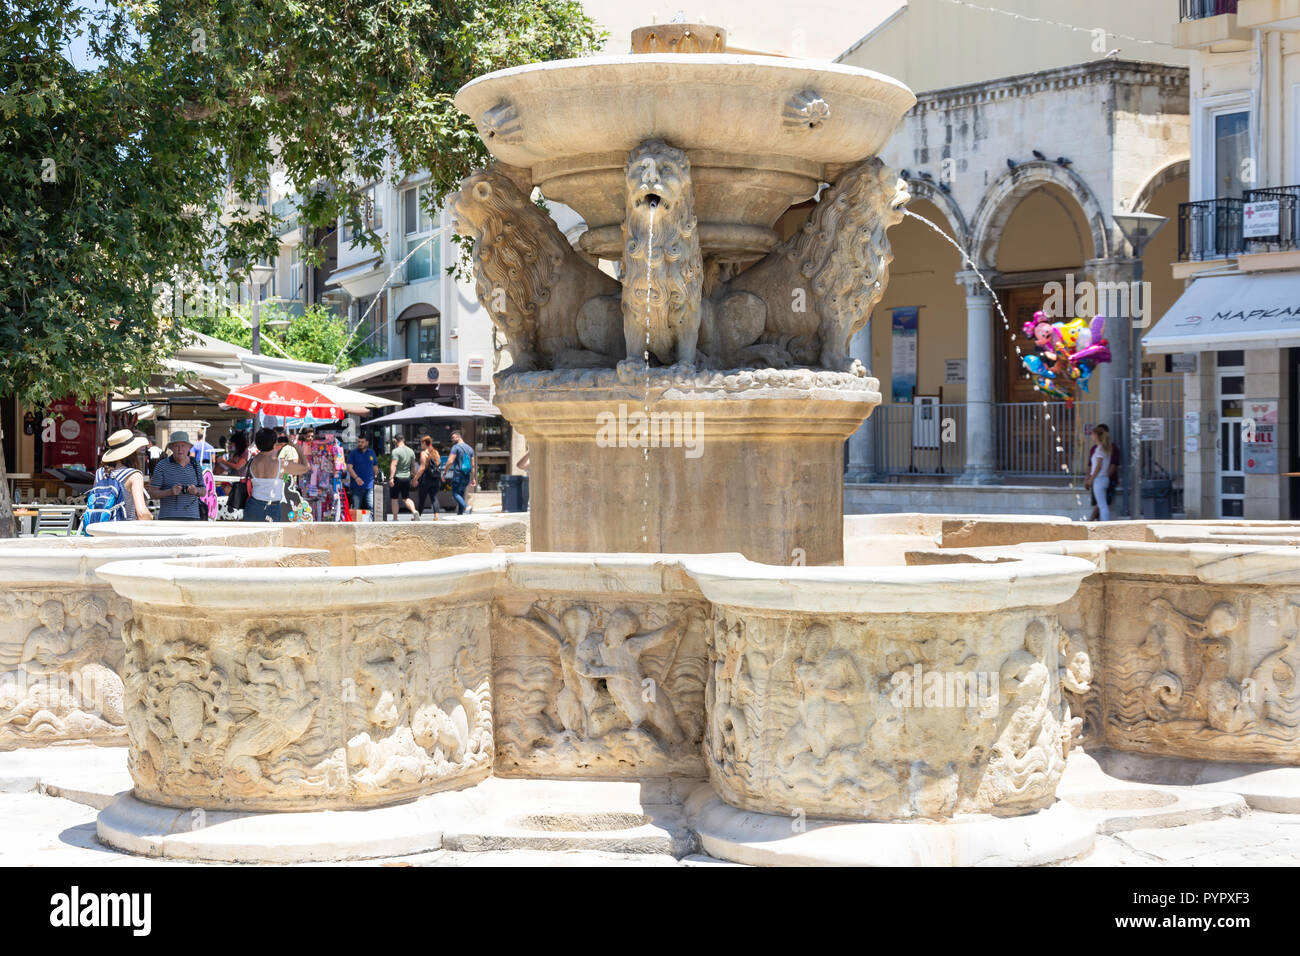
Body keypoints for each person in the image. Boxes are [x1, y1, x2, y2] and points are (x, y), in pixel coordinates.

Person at [86, 429, 153, 523]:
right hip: (124, 531)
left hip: (99, 529)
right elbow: (142, 514)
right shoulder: (134, 475)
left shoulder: (100, 473)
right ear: (132, 452)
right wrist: (151, 516)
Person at [244, 427, 309, 522]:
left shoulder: (252, 462)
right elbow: (306, 467)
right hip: (272, 508)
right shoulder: (280, 464)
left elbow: (267, 456)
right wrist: (294, 445)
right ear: (274, 444)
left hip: (252, 507)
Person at [150, 431, 204, 520]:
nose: (180, 449)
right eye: (176, 446)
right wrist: (170, 492)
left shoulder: (195, 464)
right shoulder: (162, 465)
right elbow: (152, 493)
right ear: (171, 448)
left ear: (189, 447)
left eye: (183, 445)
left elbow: (204, 491)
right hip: (168, 518)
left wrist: (196, 491)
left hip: (193, 518)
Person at [1085, 424, 1117, 521]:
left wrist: (1091, 479)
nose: (1091, 436)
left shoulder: (1099, 449)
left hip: (1099, 479)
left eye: (1093, 434)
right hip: (1103, 478)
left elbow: (1098, 466)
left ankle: (1104, 524)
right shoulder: (1104, 448)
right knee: (1101, 504)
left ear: (1097, 436)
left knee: (1102, 505)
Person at [444, 429, 476, 515]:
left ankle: (466, 507)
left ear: (459, 437)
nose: (452, 439)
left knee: (455, 494)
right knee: (460, 494)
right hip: (466, 475)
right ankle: (460, 514)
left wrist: (444, 472)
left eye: (453, 437)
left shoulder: (455, 448)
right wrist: (473, 478)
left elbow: (450, 461)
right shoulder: (470, 449)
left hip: (458, 475)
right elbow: (473, 465)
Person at [387, 434, 419, 520]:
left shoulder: (395, 451)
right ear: (403, 440)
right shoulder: (411, 451)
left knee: (394, 499)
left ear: (395, 440)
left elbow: (394, 464)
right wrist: (413, 478)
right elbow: (413, 466)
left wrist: (391, 478)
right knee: (406, 498)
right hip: (407, 478)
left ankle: (395, 518)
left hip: (397, 477)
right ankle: (414, 511)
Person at [345, 435, 378, 514]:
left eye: (362, 442)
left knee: (372, 506)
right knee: (356, 508)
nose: (360, 443)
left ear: (367, 443)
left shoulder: (371, 452)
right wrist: (356, 478)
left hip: (369, 485)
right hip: (356, 486)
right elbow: (349, 468)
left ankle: (372, 525)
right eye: (359, 442)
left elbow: (375, 466)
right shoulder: (353, 453)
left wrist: (377, 478)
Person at [414, 435, 442, 521]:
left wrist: (415, 478)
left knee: (422, 498)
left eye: (421, 443)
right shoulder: (436, 452)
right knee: (434, 497)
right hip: (436, 478)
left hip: (426, 478)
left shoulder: (423, 453)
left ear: (424, 443)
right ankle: (436, 516)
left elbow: (422, 468)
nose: (420, 445)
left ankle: (418, 516)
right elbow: (438, 464)